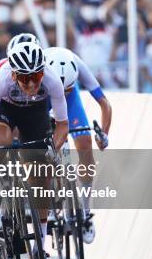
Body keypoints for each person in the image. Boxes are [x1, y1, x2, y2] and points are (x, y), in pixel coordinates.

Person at [0, 41, 69, 259]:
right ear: (13, 74)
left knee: (42, 172)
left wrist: (53, 149)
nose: (30, 83)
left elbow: (63, 125)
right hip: (7, 110)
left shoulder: (52, 81)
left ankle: (40, 246)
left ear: (43, 71)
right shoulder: (3, 80)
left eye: (36, 76)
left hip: (35, 114)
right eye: (24, 78)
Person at [43, 46, 112, 243]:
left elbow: (104, 104)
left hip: (72, 104)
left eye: (69, 87)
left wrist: (104, 134)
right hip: (44, 97)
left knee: (85, 142)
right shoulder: (41, 68)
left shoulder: (77, 64)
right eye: (63, 88)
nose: (64, 92)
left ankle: (86, 211)